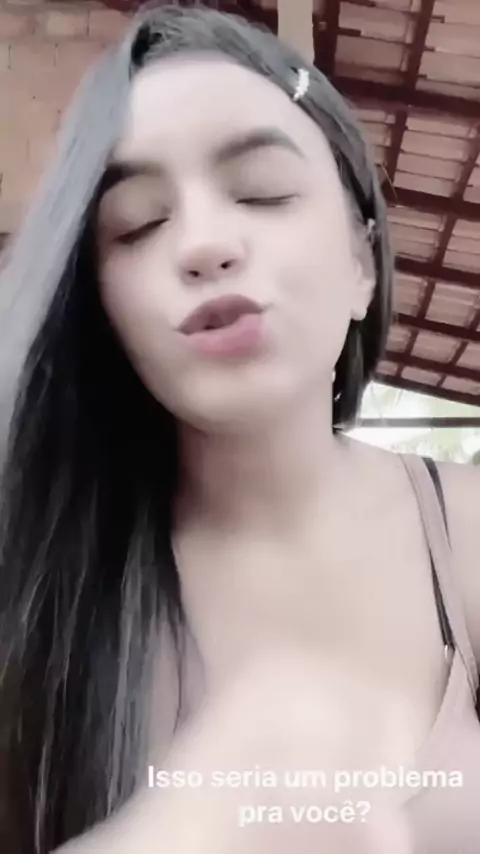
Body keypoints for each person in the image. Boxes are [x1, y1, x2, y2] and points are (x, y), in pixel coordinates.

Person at [0, 4, 479, 853]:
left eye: (261, 191)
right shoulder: (35, 586)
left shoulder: (468, 532)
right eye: (137, 222)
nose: (203, 243)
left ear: (362, 265)